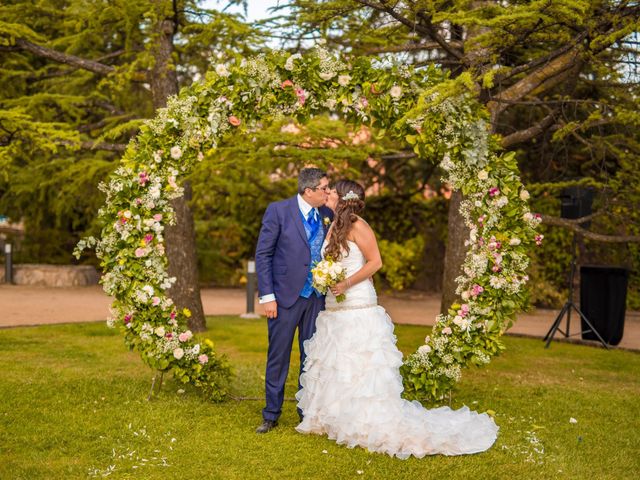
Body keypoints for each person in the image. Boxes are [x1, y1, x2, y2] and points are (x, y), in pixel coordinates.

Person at [295, 179, 498, 458]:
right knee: (338, 361)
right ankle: (335, 417)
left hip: (357, 303)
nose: (326, 194)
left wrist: (346, 283)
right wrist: (326, 279)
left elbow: (375, 262)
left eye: (331, 191)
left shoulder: (358, 225)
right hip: (333, 306)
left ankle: (364, 420)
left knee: (360, 361)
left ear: (342, 198)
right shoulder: (332, 224)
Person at [254, 167, 334, 434]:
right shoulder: (278, 211)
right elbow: (263, 255)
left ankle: (306, 411)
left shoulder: (326, 214)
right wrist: (268, 297)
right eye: (324, 188)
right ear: (308, 191)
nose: (328, 192)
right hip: (284, 297)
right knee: (278, 356)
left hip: (316, 297)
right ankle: (271, 414)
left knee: (311, 356)